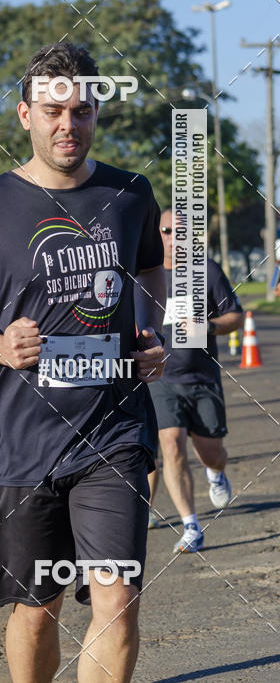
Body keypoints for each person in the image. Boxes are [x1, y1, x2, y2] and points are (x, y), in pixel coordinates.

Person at [0, 42, 166, 683]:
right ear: (24, 114)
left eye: (83, 111)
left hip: (113, 432)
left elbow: (149, 270)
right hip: (25, 443)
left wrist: (151, 330)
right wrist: (1, 346)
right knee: (37, 609)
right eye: (55, 111)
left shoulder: (131, 194)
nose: (70, 125)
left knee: (118, 598)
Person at [148, 209, 244, 554]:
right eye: (168, 230)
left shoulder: (206, 270)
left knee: (211, 453)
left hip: (202, 379)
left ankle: (216, 473)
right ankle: (191, 527)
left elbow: (236, 315)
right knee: (170, 445)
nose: (175, 237)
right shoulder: (146, 273)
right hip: (162, 379)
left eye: (182, 231)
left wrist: (210, 327)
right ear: (157, 233)